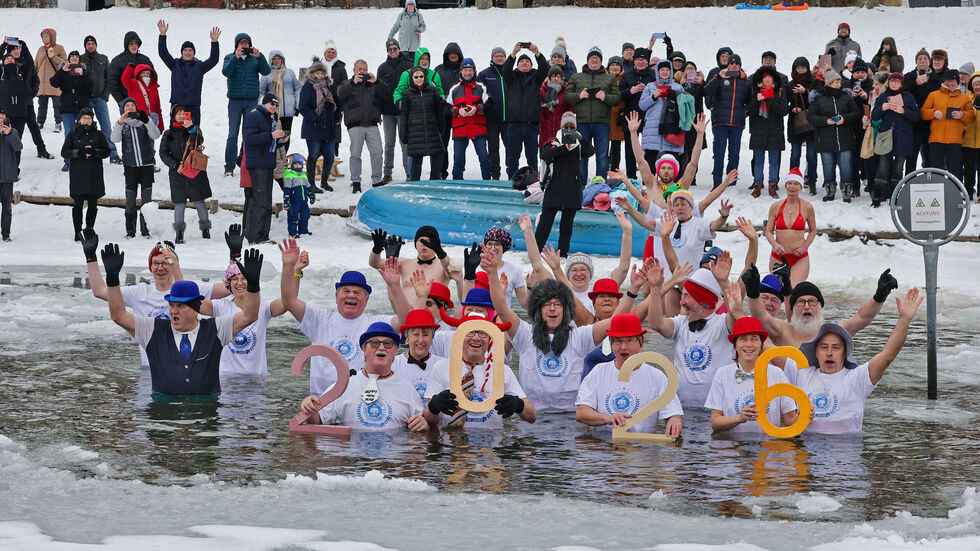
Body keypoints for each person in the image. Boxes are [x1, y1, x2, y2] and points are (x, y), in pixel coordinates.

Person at [101, 244, 262, 397]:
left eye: (181, 306)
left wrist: (253, 286)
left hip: (206, 411)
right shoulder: (152, 329)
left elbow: (249, 316)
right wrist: (112, 279)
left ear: (196, 309)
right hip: (162, 411)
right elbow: (118, 315)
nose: (173, 311)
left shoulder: (216, 328)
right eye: (171, 305)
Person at [482, 247, 625, 412]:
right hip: (532, 418)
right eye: (546, 305)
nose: (552, 309)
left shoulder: (580, 336)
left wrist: (633, 292)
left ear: (566, 310)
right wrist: (492, 273)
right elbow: (501, 309)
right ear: (538, 310)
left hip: (570, 418)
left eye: (557, 304)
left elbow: (614, 322)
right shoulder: (525, 334)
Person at [279, 240, 413, 395]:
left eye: (357, 292)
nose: (351, 295)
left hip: (361, 402)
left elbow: (407, 321)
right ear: (337, 296)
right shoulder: (320, 320)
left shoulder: (376, 324)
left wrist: (395, 286)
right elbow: (289, 301)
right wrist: (288, 266)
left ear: (366, 299)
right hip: (322, 402)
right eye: (346, 291)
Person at [789, 289, 922, 434]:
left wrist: (904, 319)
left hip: (847, 445)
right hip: (807, 446)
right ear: (816, 352)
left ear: (845, 353)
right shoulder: (801, 375)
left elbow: (888, 355)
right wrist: (795, 418)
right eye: (824, 347)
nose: (829, 353)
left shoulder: (857, 378)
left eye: (836, 348)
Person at [81, 234, 226, 365]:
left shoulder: (191, 290)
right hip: (149, 371)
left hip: (184, 369)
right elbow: (100, 291)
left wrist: (234, 256)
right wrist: (90, 257)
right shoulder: (139, 293)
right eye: (155, 263)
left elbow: (230, 288)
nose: (160, 268)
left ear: (174, 265)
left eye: (165, 263)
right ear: (150, 267)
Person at [576, 313, 683, 438]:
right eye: (618, 341)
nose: (623, 347)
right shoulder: (598, 372)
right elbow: (581, 413)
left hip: (643, 445)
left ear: (641, 343)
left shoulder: (657, 377)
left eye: (629, 340)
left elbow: (674, 414)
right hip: (604, 444)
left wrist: (674, 420)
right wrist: (608, 418)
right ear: (611, 344)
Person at [647, 263, 736, 409]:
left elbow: (735, 311)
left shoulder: (723, 323)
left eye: (686, 296)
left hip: (717, 411)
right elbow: (656, 323)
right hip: (682, 410)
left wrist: (724, 283)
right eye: (682, 295)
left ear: (703, 301)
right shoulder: (680, 323)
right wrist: (655, 289)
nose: (681, 302)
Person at [200, 230, 288, 377]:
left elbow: (287, 302)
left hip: (255, 381)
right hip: (226, 380)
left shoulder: (264, 307)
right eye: (235, 279)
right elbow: (187, 302)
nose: (240, 283)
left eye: (244, 279)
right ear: (228, 284)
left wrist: (292, 270)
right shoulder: (220, 306)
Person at [744, 268, 897, 349]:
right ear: (793, 308)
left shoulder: (832, 331)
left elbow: (861, 318)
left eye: (812, 302)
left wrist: (879, 296)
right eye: (801, 302)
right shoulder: (783, 331)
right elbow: (761, 316)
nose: (807, 306)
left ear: (820, 306)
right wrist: (752, 292)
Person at [704, 316, 800, 434]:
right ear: (735, 345)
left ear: (761, 345)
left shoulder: (777, 373)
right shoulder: (722, 374)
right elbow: (715, 422)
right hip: (732, 444)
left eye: (754, 339)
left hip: (768, 443)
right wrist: (740, 418)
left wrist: (805, 416)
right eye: (743, 339)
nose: (748, 344)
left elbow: (790, 419)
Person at [534, 111, 594, 256]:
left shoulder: (579, 144)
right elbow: (546, 154)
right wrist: (564, 147)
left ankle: (562, 254)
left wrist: (581, 138)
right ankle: (535, 252)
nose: (568, 130)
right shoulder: (553, 141)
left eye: (571, 127)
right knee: (544, 224)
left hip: (572, 189)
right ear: (561, 127)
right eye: (566, 127)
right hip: (554, 188)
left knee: (567, 226)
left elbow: (591, 152)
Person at [565, 46, 621, 185]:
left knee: (602, 155)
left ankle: (600, 184)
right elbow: (567, 96)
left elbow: (617, 98)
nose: (594, 59)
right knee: (581, 154)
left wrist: (605, 97)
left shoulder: (609, 78)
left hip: (602, 123)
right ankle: (581, 184)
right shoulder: (576, 77)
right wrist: (579, 95)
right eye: (592, 57)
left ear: (601, 61)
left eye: (597, 57)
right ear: (587, 60)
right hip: (582, 123)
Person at [159, 104, 211, 244]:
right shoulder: (168, 134)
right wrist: (174, 165)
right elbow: (163, 153)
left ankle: (205, 229)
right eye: (179, 114)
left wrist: (192, 129)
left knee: (199, 201)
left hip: (194, 170)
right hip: (177, 174)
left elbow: (199, 141)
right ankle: (179, 233)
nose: (182, 116)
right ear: (173, 117)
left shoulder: (193, 129)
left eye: (184, 113)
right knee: (179, 203)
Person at [807, 69, 860, 202]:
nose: (839, 84)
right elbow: (811, 117)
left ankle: (846, 191)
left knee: (846, 164)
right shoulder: (818, 99)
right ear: (829, 83)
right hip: (825, 139)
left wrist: (844, 119)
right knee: (828, 165)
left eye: (839, 82)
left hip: (845, 138)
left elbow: (856, 113)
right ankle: (830, 191)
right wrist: (826, 121)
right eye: (836, 82)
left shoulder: (846, 97)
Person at [222, 32, 271, 177]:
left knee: (249, 134)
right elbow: (226, 72)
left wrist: (260, 57)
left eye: (246, 43)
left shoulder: (255, 59)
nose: (244, 45)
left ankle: (247, 163)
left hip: (251, 101)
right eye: (241, 43)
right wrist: (236, 57)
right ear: (236, 45)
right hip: (235, 101)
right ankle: (229, 166)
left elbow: (266, 71)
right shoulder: (230, 57)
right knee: (232, 134)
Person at [111, 97, 161, 239]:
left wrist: (147, 120)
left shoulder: (144, 121)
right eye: (127, 105)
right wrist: (120, 122)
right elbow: (114, 139)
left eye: (132, 105)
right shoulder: (122, 124)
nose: (130, 107)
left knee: (147, 201)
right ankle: (130, 231)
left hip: (146, 165)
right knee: (130, 201)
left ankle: (146, 230)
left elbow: (156, 135)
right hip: (130, 166)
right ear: (123, 109)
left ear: (136, 107)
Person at [157, 21, 221, 126]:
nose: (187, 52)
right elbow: (163, 53)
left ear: (193, 53)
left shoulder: (199, 66)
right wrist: (162, 35)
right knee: (176, 132)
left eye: (190, 50)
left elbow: (213, 60)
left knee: (192, 132)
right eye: (185, 50)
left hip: (192, 107)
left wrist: (214, 42)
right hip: (177, 106)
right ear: (182, 52)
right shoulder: (174, 64)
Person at [870, 73, 920, 207]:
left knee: (898, 167)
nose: (894, 83)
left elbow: (917, 116)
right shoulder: (883, 96)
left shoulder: (908, 97)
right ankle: (879, 194)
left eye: (897, 81)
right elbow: (874, 116)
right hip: (885, 136)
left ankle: (895, 194)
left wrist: (904, 111)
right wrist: (882, 108)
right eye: (892, 81)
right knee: (883, 165)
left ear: (901, 83)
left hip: (903, 136)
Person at [338, 60, 387, 191]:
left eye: (365, 69)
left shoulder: (373, 84)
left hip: (372, 124)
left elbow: (386, 92)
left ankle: (376, 180)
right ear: (354, 70)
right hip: (355, 124)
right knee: (355, 153)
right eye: (360, 69)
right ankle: (356, 182)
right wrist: (352, 83)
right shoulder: (347, 83)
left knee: (377, 152)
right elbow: (340, 94)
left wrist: (377, 81)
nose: (362, 71)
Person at [501, 43, 548, 179]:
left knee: (532, 156)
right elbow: (505, 70)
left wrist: (537, 52)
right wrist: (514, 53)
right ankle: (511, 179)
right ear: (517, 65)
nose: (525, 63)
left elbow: (544, 68)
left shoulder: (536, 78)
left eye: (527, 61)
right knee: (512, 156)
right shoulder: (511, 78)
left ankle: (533, 180)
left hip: (531, 125)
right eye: (522, 61)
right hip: (514, 124)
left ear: (531, 65)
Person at [763, 168, 815, 288]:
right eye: (789, 183)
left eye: (796, 184)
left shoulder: (807, 207)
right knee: (778, 289)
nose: (792, 187)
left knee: (793, 288)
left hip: (799, 257)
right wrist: (775, 245)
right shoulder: (776, 206)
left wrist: (804, 247)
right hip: (778, 256)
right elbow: (768, 231)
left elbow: (813, 231)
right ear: (785, 185)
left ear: (800, 186)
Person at [704, 53, 750, 189]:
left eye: (737, 63)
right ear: (727, 65)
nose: (734, 65)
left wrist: (744, 113)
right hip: (720, 122)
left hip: (737, 123)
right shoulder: (720, 77)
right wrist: (719, 77)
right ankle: (717, 183)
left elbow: (750, 102)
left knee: (734, 154)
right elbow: (707, 91)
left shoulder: (746, 81)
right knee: (719, 154)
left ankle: (731, 183)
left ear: (740, 66)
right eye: (731, 63)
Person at [62, 107, 109, 239]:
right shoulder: (72, 134)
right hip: (78, 175)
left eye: (89, 118)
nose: (86, 120)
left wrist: (95, 152)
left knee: (93, 205)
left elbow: (106, 151)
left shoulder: (99, 134)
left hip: (94, 174)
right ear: (79, 120)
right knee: (77, 205)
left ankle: (89, 229)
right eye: (84, 118)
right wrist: (78, 153)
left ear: (92, 120)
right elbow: (64, 152)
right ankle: (78, 231)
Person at [242, 94, 282, 244]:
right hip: (258, 164)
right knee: (260, 201)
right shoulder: (254, 116)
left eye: (276, 105)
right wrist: (271, 135)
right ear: (264, 103)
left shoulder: (270, 118)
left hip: (267, 163)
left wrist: (279, 139)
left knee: (266, 201)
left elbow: (267, 140)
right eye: (272, 103)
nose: (274, 107)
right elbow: (249, 139)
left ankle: (264, 235)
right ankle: (255, 237)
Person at [921, 69, 974, 182]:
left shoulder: (964, 98)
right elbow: (923, 113)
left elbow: (971, 117)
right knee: (936, 172)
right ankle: (937, 191)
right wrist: (933, 113)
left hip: (955, 141)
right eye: (947, 80)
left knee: (955, 171)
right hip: (936, 140)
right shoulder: (934, 95)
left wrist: (962, 115)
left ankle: (955, 191)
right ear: (944, 81)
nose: (949, 83)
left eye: (952, 80)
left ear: (957, 81)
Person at [4, 39, 53, 160]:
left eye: (18, 49)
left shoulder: (27, 64)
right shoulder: (6, 66)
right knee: (12, 130)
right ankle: (10, 156)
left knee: (33, 126)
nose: (16, 51)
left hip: (26, 103)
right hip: (10, 105)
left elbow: (36, 80)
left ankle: (41, 149)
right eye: (13, 49)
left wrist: (31, 93)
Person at [747, 65, 789, 199]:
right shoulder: (755, 92)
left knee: (774, 161)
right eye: (765, 78)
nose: (767, 80)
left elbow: (784, 111)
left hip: (775, 131)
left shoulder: (780, 92)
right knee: (758, 161)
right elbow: (749, 112)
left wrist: (770, 100)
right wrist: (757, 101)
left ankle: (772, 186)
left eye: (770, 78)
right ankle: (757, 185)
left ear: (774, 80)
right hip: (758, 130)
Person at [637, 59, 686, 169]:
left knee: (671, 164)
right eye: (662, 70)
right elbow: (642, 105)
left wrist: (676, 96)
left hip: (671, 128)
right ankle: (650, 181)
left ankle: (671, 181)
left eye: (667, 70)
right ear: (657, 72)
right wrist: (653, 97)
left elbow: (685, 108)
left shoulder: (678, 87)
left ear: (671, 71)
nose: (664, 72)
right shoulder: (650, 86)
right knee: (650, 162)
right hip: (652, 129)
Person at [297, 58, 337, 193]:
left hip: (329, 127)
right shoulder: (307, 87)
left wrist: (336, 117)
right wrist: (314, 118)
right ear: (312, 74)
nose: (320, 75)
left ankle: (324, 182)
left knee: (330, 156)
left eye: (322, 73)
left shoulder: (329, 86)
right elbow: (302, 107)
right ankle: (311, 184)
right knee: (313, 155)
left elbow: (336, 102)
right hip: (313, 128)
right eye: (317, 73)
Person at [447, 58, 491, 180]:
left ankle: (487, 182)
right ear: (461, 71)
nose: (468, 73)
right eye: (465, 70)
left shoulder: (481, 87)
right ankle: (457, 183)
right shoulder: (454, 89)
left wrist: (477, 108)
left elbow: (490, 104)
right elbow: (446, 107)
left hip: (478, 128)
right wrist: (457, 111)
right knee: (458, 160)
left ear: (474, 71)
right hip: (460, 129)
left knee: (484, 158)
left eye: (470, 70)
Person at [369, 224, 451, 289]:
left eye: (428, 241)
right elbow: (375, 264)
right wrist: (376, 249)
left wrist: (440, 252)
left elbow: (452, 274)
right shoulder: (404, 264)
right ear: (415, 244)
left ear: (436, 244)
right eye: (421, 240)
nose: (424, 244)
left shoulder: (444, 265)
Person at [399, 66, 444, 181]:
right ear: (412, 78)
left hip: (432, 130)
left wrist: (441, 128)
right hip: (415, 132)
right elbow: (404, 116)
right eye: (416, 77)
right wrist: (403, 134)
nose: (419, 79)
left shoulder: (433, 91)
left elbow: (439, 112)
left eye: (421, 76)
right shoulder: (407, 94)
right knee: (416, 160)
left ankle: (434, 182)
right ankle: (415, 185)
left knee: (437, 155)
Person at [80, 35, 119, 164]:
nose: (91, 46)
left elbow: (110, 78)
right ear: (85, 46)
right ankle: (87, 153)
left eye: (93, 43)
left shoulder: (103, 59)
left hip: (100, 99)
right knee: (86, 127)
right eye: (88, 44)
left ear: (96, 45)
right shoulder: (80, 60)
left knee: (106, 126)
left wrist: (104, 96)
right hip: (86, 100)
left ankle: (113, 153)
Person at [50, 51, 92, 171]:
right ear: (68, 59)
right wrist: (62, 71)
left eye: (76, 57)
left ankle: (84, 157)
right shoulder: (64, 70)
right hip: (67, 108)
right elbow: (53, 83)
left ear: (79, 60)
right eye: (72, 57)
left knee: (84, 132)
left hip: (82, 108)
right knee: (69, 133)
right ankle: (68, 160)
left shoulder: (84, 70)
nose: (74, 58)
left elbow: (91, 86)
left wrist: (82, 75)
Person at [378, 39, 413, 184]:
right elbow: (378, 91)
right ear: (387, 51)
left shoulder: (409, 65)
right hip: (388, 112)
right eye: (390, 49)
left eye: (395, 48)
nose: (393, 51)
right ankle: (387, 173)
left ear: (399, 49)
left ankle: (409, 173)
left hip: (404, 111)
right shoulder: (382, 68)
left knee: (405, 143)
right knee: (389, 143)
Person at [618, 47, 655, 179]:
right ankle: (631, 177)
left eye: (643, 59)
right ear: (634, 61)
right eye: (638, 59)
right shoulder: (627, 75)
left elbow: (659, 92)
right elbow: (619, 95)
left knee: (649, 148)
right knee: (630, 148)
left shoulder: (653, 75)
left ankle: (649, 178)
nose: (640, 62)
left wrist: (647, 89)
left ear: (647, 61)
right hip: (631, 115)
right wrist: (630, 91)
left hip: (649, 116)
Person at [787, 57, 822, 196]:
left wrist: (805, 92)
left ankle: (812, 182)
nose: (800, 70)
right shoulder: (790, 84)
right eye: (798, 68)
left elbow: (819, 101)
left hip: (811, 123)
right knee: (795, 155)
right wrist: (792, 109)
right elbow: (784, 103)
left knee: (811, 156)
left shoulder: (815, 82)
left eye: (803, 67)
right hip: (795, 123)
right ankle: (792, 182)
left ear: (807, 69)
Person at [391, 309, 443, 401]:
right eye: (416, 334)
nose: (421, 340)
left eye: (425, 335)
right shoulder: (393, 365)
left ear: (432, 338)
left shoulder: (443, 365)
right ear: (407, 338)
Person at [474, 225, 528, 309]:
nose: (493, 248)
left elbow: (525, 305)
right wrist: (459, 280)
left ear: (504, 247)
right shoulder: (475, 268)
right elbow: (464, 299)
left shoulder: (514, 270)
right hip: (479, 316)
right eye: (490, 244)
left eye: (497, 244)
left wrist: (530, 287)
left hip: (502, 316)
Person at [477, 46, 508, 180]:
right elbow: (479, 94)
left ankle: (511, 172)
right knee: (493, 148)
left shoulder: (510, 73)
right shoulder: (484, 74)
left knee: (510, 148)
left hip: (508, 118)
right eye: (497, 56)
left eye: (502, 56)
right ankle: (495, 175)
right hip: (491, 119)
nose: (499, 58)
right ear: (492, 58)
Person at [107, 30, 153, 114]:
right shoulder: (117, 60)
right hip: (127, 104)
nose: (134, 46)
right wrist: (121, 101)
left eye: (136, 43)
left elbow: (153, 78)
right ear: (126, 45)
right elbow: (112, 83)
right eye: (131, 43)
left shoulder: (145, 59)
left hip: (144, 102)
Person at [258, 50, 300, 135]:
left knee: (285, 137)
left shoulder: (290, 72)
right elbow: (261, 92)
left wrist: (297, 106)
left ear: (282, 59)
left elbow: (297, 89)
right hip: (272, 111)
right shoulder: (266, 74)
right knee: (274, 136)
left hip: (288, 111)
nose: (277, 61)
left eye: (279, 58)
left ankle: (284, 144)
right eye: (274, 59)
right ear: (271, 61)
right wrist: (262, 107)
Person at [34, 28, 67, 132]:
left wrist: (53, 57)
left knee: (57, 105)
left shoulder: (59, 48)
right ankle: (40, 122)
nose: (44, 38)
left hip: (55, 82)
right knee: (41, 105)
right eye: (43, 36)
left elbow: (65, 64)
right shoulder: (40, 49)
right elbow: (36, 65)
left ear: (52, 37)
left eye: (46, 36)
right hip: (42, 84)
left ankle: (58, 123)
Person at [120, 62, 163, 133]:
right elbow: (124, 79)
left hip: (151, 121)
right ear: (138, 74)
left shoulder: (154, 88)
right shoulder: (133, 84)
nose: (146, 75)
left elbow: (158, 109)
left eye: (148, 73)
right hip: (137, 120)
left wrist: (161, 126)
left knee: (151, 140)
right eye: (143, 73)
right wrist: (130, 67)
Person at [538, 64, 573, 152]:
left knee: (563, 156)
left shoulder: (566, 90)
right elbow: (539, 109)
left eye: (558, 76)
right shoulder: (542, 90)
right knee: (545, 156)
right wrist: (543, 123)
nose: (556, 78)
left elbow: (571, 109)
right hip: (546, 130)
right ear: (549, 77)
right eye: (553, 76)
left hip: (563, 129)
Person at [0, 106, 20, 241]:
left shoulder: (13, 131)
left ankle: (6, 234)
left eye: (3, 116)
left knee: (6, 207)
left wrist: (9, 133)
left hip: (7, 176)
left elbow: (18, 147)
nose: (1, 118)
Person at [283, 154, 313, 238]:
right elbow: (287, 189)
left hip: (303, 201)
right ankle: (293, 232)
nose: (297, 166)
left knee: (305, 216)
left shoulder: (304, 176)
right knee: (293, 216)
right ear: (292, 165)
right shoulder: (289, 176)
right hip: (294, 201)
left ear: (302, 165)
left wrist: (311, 195)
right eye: (295, 164)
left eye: (299, 164)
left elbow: (308, 187)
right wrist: (286, 200)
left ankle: (303, 231)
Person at [606, 56, 626, 172]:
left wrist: (623, 112)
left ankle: (614, 170)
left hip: (617, 115)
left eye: (617, 65)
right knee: (602, 146)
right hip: (604, 116)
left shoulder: (624, 79)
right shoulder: (602, 78)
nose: (614, 67)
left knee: (616, 145)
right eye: (612, 65)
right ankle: (603, 170)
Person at [963, 70, 980, 201]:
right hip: (967, 141)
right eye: (975, 84)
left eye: (979, 84)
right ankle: (968, 191)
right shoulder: (966, 99)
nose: (977, 87)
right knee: (968, 169)